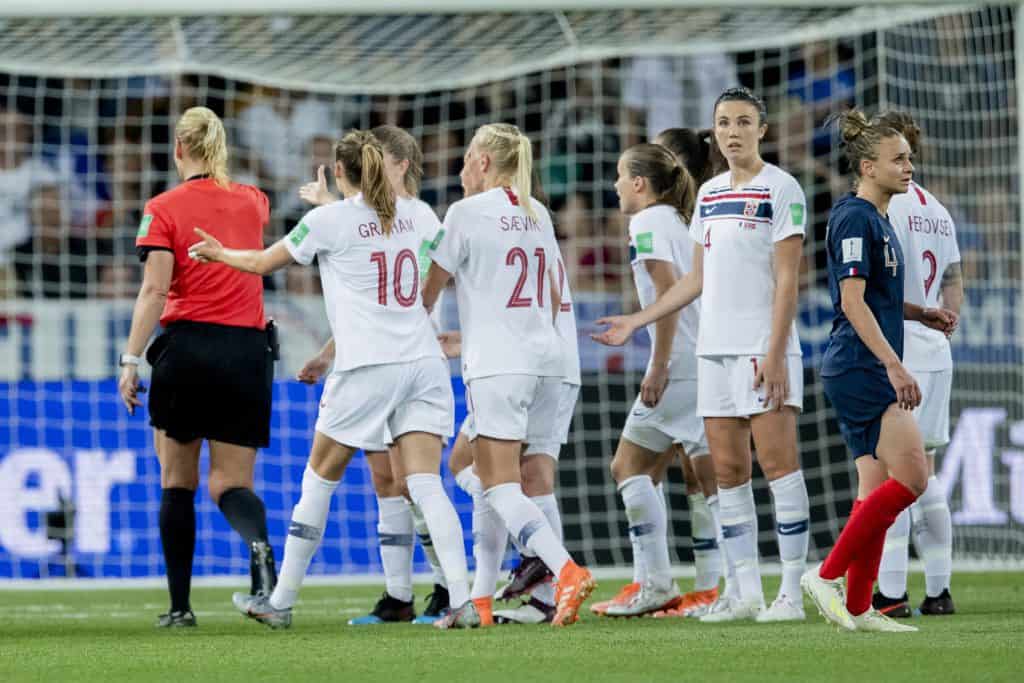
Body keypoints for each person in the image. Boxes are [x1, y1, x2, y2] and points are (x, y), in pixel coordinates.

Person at [188, 129, 471, 629]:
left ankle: (279, 602)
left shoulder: (327, 222)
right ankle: (465, 602)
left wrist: (218, 252)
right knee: (426, 483)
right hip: (424, 363)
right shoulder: (419, 214)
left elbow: (262, 262)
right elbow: (421, 264)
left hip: (367, 367)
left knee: (319, 478)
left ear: (339, 171)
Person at [592, 89, 812, 623]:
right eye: (724, 123)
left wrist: (775, 352)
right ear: (714, 133)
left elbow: (788, 279)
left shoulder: (782, 188)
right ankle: (744, 593)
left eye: (744, 122)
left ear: (762, 130)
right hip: (712, 352)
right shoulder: (709, 195)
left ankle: (790, 593)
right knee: (729, 475)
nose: (733, 131)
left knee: (780, 469)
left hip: (762, 349)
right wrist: (636, 321)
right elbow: (695, 279)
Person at [422, 122, 596, 628]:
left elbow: (428, 293)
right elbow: (549, 296)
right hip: (548, 361)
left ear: (483, 162)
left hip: (500, 366)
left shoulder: (465, 212)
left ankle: (562, 569)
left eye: (466, 159)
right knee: (481, 469)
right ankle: (482, 600)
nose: (460, 169)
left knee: (497, 485)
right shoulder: (536, 211)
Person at [117, 106, 278, 628]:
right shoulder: (254, 201)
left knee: (177, 480)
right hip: (247, 352)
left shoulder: (162, 208)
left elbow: (155, 290)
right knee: (231, 482)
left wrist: (130, 359)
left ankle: (180, 607)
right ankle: (260, 553)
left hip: (188, 350)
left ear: (178, 149)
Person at [800, 109, 955, 632]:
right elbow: (851, 301)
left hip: (865, 363)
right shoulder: (854, 217)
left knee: (873, 489)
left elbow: (877, 297)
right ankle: (825, 575)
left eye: (909, 159)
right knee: (913, 477)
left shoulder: (881, 219)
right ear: (868, 167)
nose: (909, 167)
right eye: (898, 160)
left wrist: (919, 312)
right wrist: (894, 365)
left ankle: (860, 607)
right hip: (860, 366)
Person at [294, 125, 453, 625]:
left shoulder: (418, 217)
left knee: (412, 480)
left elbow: (408, 299)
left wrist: (332, 209)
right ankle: (398, 595)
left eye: (378, 160)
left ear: (401, 166)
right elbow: (368, 302)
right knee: (385, 478)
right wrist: (328, 353)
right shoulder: (370, 218)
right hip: (377, 354)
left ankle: (446, 586)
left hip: (409, 357)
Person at [591, 142, 701, 618]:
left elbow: (667, 291)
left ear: (639, 183)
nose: (615, 184)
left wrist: (658, 365)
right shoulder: (679, 219)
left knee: (628, 467)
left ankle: (657, 583)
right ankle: (701, 586)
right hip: (702, 359)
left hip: (678, 365)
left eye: (620, 175)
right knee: (695, 478)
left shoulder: (647, 222)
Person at [872, 111, 962, 618]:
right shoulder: (938, 210)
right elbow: (953, 279)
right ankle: (939, 590)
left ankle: (889, 593)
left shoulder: (888, 207)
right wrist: (947, 324)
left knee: (892, 473)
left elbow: (880, 285)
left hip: (899, 348)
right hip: (934, 350)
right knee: (923, 471)